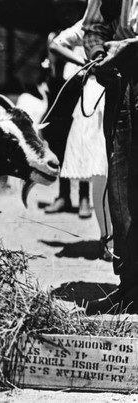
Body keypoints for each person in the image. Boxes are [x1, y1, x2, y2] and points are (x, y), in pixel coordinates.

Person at [83, 0, 138, 313]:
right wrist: (98, 54)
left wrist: (130, 46)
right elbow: (93, 28)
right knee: (120, 191)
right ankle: (130, 288)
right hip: (122, 84)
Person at [50, 19, 114, 261]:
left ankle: (114, 237)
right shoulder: (92, 22)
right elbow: (57, 44)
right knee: (100, 169)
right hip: (97, 94)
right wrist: (87, 63)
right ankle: (107, 237)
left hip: (118, 89)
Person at [42, 0, 92, 219]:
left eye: (70, 8)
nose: (65, 13)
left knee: (82, 142)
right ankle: (63, 195)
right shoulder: (54, 37)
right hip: (59, 94)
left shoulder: (86, 36)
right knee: (59, 144)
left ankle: (83, 197)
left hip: (79, 93)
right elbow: (49, 67)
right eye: (61, 9)